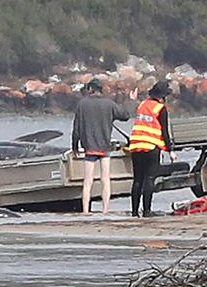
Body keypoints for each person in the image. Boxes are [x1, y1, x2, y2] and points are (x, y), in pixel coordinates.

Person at [71, 78, 130, 215]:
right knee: (105, 179)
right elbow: (125, 116)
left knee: (88, 181)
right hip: (105, 147)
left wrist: (74, 147)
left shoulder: (82, 104)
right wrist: (128, 101)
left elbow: (76, 128)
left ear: (91, 89)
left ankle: (86, 211)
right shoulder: (109, 103)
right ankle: (105, 210)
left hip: (89, 147)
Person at [127, 80, 177, 217]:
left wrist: (133, 99)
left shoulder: (142, 105)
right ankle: (147, 211)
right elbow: (164, 131)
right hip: (151, 147)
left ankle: (134, 211)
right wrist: (170, 150)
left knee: (137, 180)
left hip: (136, 146)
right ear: (162, 96)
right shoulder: (160, 109)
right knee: (149, 178)